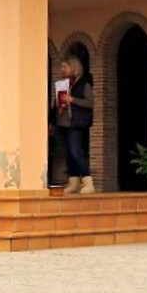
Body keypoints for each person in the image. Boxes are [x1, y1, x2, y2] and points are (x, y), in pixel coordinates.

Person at [55, 55, 95, 194]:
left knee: (76, 152)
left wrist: (72, 99)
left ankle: (88, 182)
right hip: (63, 123)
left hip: (76, 123)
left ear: (73, 67)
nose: (62, 70)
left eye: (65, 67)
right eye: (62, 67)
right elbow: (57, 104)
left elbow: (90, 103)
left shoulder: (84, 84)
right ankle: (74, 183)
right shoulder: (64, 84)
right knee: (68, 154)